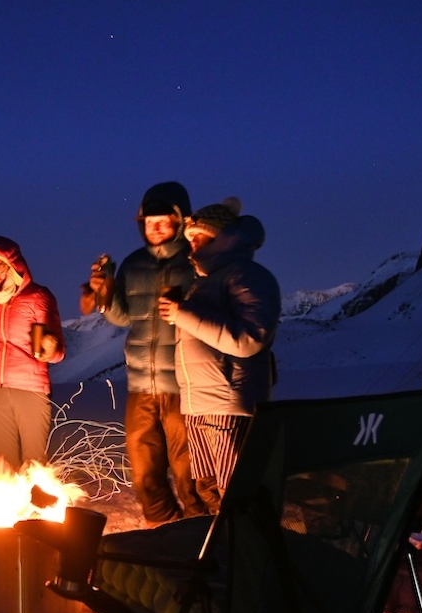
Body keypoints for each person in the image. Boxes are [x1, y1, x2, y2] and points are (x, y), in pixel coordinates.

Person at [84, 181, 209, 525]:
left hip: (182, 384)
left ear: (180, 221)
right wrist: (106, 292)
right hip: (140, 384)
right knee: (143, 471)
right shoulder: (133, 264)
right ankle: (162, 530)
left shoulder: (195, 263)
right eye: (148, 222)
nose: (154, 228)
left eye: (163, 221)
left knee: (189, 469)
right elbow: (124, 316)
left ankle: (200, 533)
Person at [158, 197, 280, 510]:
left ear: (220, 237)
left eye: (197, 236)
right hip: (199, 403)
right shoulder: (207, 282)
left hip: (228, 404)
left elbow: (250, 338)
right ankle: (221, 551)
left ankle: (245, 553)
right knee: (208, 488)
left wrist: (182, 314)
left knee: (234, 492)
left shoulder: (247, 275)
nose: (191, 244)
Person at [0, 236, 65, 469]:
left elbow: (59, 351)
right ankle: (9, 505)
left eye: (0, 271)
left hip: (31, 388)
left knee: (34, 461)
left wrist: (50, 347)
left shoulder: (38, 296)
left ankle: (37, 504)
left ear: (14, 268)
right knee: (3, 461)